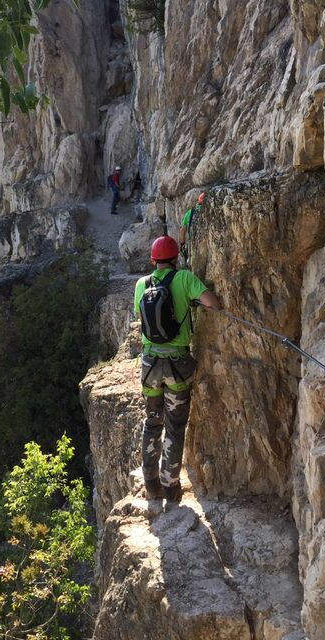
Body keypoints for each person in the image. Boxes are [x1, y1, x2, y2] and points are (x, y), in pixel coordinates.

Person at [134, 234, 220, 503]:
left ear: (153, 260)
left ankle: (150, 484)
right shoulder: (184, 279)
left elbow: (142, 319)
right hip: (177, 366)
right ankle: (170, 487)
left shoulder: (141, 284)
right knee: (174, 425)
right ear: (175, 258)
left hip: (149, 365)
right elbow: (212, 304)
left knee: (152, 422)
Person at [179, 192, 205, 266]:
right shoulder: (210, 209)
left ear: (198, 201)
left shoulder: (190, 213)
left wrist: (182, 244)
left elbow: (182, 230)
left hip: (193, 244)